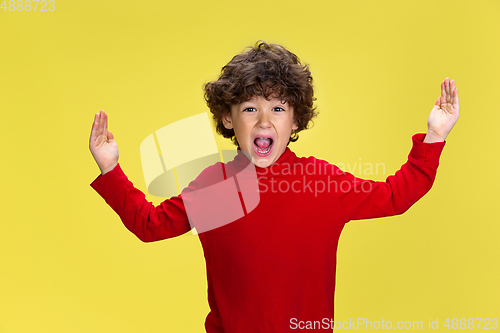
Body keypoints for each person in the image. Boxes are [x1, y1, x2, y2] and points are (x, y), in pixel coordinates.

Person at [89, 41, 460, 332]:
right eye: (250, 108)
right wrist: (110, 169)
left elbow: (396, 195)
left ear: (296, 120)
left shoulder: (321, 183)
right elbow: (150, 225)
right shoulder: (215, 188)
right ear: (228, 118)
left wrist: (434, 136)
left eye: (278, 109)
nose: (264, 120)